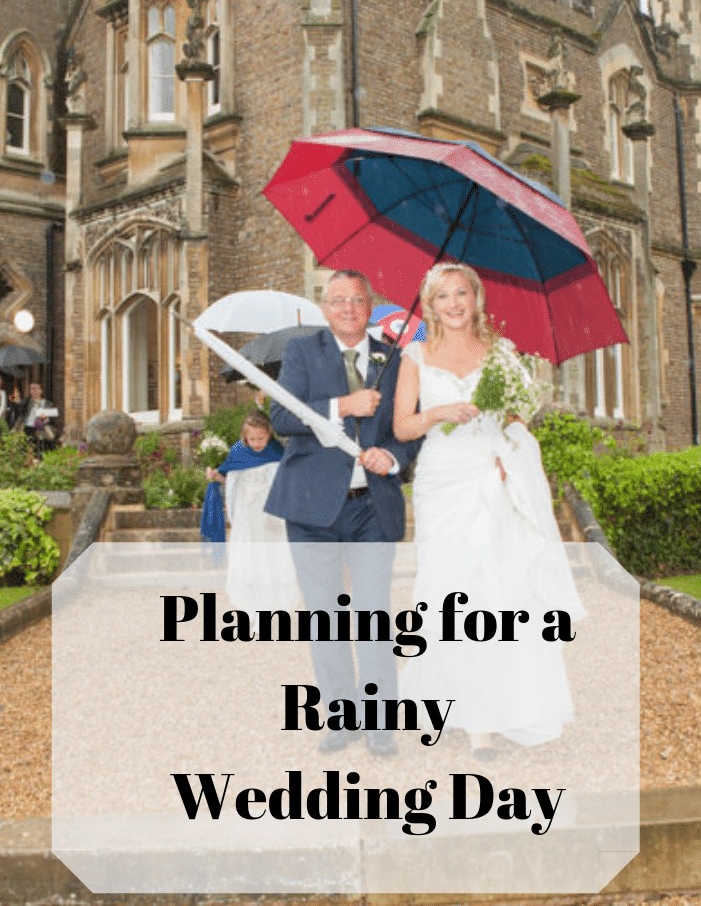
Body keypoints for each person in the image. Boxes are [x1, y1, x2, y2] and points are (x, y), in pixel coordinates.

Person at [393, 262, 584, 758]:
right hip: (442, 484)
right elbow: (403, 428)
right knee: (448, 592)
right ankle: (459, 705)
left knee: (499, 594)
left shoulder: (500, 353)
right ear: (430, 305)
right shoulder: (415, 355)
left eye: (462, 293)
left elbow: (521, 413)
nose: (454, 303)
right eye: (442, 296)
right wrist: (439, 413)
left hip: (491, 477)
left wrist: (509, 452)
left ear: (477, 299)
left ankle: (496, 709)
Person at [265, 269, 421, 756]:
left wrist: (392, 458)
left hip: (371, 508)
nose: (348, 308)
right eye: (338, 300)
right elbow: (283, 417)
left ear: (369, 305)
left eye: (357, 300)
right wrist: (341, 405)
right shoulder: (300, 352)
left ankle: (380, 725)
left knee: (374, 613)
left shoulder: (394, 359)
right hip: (312, 509)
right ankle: (341, 717)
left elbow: (407, 430)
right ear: (324, 306)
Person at [202, 411, 298, 612]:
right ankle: (253, 608)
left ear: (269, 434)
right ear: (244, 437)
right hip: (247, 518)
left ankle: (277, 607)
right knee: (251, 559)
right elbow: (230, 479)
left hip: (271, 517)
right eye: (251, 439)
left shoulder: (276, 451)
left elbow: (287, 479)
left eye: (260, 438)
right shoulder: (238, 452)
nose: (256, 443)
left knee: (273, 558)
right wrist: (214, 476)